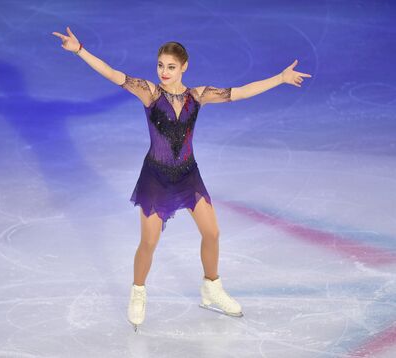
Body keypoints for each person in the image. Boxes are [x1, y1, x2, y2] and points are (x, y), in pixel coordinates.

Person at [52, 26, 312, 332]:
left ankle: (211, 287)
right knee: (149, 242)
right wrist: (80, 49)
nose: (164, 72)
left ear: (184, 67)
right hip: (156, 176)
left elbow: (239, 92)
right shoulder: (149, 92)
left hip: (188, 174)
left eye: (171, 67)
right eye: (160, 65)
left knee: (212, 232)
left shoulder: (197, 96)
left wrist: (280, 78)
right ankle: (138, 292)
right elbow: (113, 74)